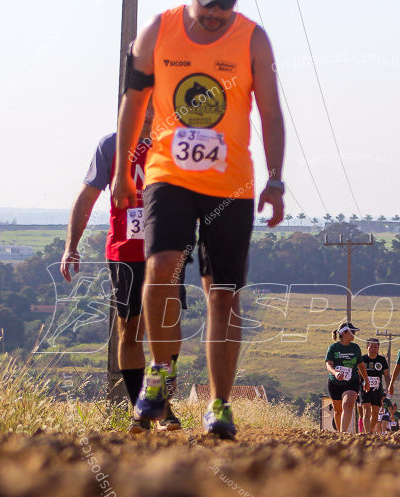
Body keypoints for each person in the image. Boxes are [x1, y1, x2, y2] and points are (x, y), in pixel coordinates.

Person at [113, 0, 286, 439]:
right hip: (168, 174)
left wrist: (276, 179)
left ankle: (219, 405)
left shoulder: (252, 39)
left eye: (226, 5)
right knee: (161, 266)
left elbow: (269, 113)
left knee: (223, 294)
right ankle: (156, 374)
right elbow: (134, 103)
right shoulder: (158, 31)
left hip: (229, 185)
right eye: (209, 4)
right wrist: (119, 173)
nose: (217, 13)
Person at [62, 106, 185, 434]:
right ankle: (140, 411)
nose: (146, 112)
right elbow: (87, 196)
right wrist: (71, 246)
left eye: (153, 105)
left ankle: (163, 406)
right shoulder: (111, 146)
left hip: (167, 248)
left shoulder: (176, 143)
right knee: (129, 330)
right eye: (139, 105)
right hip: (125, 252)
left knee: (168, 328)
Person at [324, 322, 368, 433]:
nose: (354, 334)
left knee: (348, 405)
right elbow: (328, 364)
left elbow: (361, 365)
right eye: (352, 332)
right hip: (335, 383)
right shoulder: (333, 348)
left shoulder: (355, 348)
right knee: (338, 411)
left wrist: (366, 380)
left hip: (351, 382)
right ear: (344, 333)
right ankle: (339, 433)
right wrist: (335, 373)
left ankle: (343, 433)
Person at [359, 337, 390, 433]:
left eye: (375, 347)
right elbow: (358, 375)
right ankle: (367, 434)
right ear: (367, 347)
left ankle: (368, 431)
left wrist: (388, 387)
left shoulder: (382, 360)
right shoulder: (362, 359)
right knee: (366, 411)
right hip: (365, 389)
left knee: (375, 414)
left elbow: (386, 375)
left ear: (378, 348)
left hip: (377, 390)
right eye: (371, 347)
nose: (373, 349)